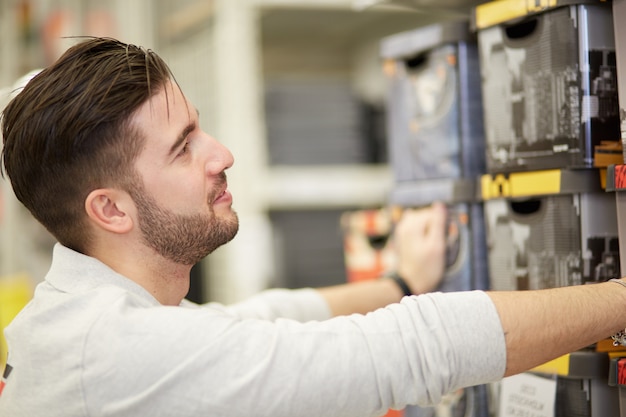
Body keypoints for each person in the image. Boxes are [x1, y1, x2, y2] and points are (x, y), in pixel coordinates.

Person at [0, 37, 625, 417]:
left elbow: (256, 321)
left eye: (200, 126)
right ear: (110, 210)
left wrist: (402, 278)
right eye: (183, 147)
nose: (221, 154)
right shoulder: (110, 354)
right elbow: (409, 349)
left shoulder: (78, 316)